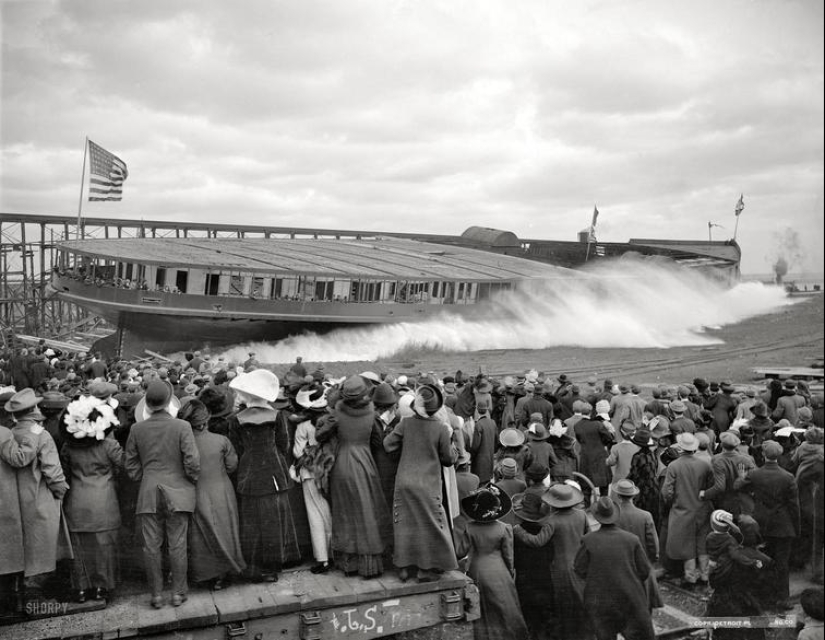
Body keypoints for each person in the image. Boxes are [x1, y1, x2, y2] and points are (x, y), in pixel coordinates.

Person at [125, 379, 200, 608]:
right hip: (178, 492)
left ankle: (156, 595)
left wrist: (146, 477)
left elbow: (130, 466)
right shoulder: (182, 426)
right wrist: (188, 480)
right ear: (169, 402)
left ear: (147, 403)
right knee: (177, 544)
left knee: (151, 547)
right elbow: (192, 462)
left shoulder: (136, 429)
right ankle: (178, 593)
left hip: (149, 492)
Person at [228, 369, 300, 584]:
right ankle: (274, 565)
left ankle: (253, 566)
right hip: (274, 474)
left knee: (251, 521)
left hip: (249, 473)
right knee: (274, 519)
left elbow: (236, 447)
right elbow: (284, 445)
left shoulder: (236, 419)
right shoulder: (277, 416)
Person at [384, 382, 458, 583]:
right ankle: (425, 570)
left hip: (405, 482)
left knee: (404, 524)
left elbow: (388, 445)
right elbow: (448, 460)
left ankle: (403, 567)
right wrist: (452, 444)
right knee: (430, 526)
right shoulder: (441, 428)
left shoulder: (405, 423)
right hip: (428, 485)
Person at [6, 388, 70, 604]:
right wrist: (61, 491)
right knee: (44, 547)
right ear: (34, 408)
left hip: (16, 500)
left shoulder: (10, 434)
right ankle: (36, 596)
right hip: (41, 497)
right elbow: (53, 471)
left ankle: (19, 592)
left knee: (23, 547)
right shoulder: (41, 435)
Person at [61, 390, 124, 603]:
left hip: (76, 501)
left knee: (79, 548)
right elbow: (124, 468)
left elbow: (64, 474)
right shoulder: (109, 446)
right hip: (104, 501)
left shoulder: (68, 447)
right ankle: (101, 587)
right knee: (103, 547)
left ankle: (81, 588)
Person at [328, 375, 391, 578]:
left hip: (341, 463)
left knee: (345, 512)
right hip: (364, 462)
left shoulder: (337, 410)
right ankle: (369, 565)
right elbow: (378, 442)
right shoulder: (371, 411)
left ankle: (349, 564)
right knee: (367, 511)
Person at [179, 398, 245, 590]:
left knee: (201, 534)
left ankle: (207, 574)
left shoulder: (183, 444)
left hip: (196, 490)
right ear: (205, 421)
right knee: (226, 529)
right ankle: (226, 572)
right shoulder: (221, 440)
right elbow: (232, 466)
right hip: (221, 489)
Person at [574, 496, 655, 640]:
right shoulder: (632, 540)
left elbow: (579, 569)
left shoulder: (588, 540)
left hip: (600, 600)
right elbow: (644, 570)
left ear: (597, 518)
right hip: (630, 597)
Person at [455, 485, 528, 640]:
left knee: (482, 606)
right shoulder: (504, 528)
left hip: (477, 569)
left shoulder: (470, 527)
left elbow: (460, 552)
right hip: (499, 569)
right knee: (505, 606)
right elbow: (508, 556)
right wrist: (510, 572)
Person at [738, 439, 801, 610]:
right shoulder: (788, 477)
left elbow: (739, 487)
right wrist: (796, 528)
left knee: (762, 559)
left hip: (761, 523)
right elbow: (794, 506)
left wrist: (742, 477)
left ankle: (763, 596)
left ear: (763, 454)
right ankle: (783, 599)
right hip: (783, 525)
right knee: (782, 563)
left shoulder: (755, 474)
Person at [704, 509, 770, 640]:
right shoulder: (766, 561)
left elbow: (714, 581)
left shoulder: (726, 557)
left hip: (727, 608)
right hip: (752, 610)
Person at [661, 432, 713, 589]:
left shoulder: (674, 466)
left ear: (681, 448)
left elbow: (667, 491)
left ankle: (690, 578)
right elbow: (710, 487)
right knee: (702, 543)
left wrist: (671, 503)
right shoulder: (705, 465)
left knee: (686, 544)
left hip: (682, 509)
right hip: (703, 508)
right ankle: (704, 576)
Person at [614, 479, 662, 611]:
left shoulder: (613, 516)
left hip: (621, 565)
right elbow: (652, 542)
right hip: (642, 563)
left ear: (618, 496)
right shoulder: (645, 516)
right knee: (645, 602)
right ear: (633, 496)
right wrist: (653, 558)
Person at [511, 491, 553, 640]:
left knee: (529, 617)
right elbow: (551, 555)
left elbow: (513, 559)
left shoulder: (516, 533)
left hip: (525, 580)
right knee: (545, 617)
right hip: (544, 578)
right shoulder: (546, 531)